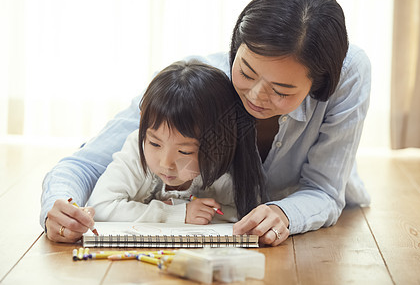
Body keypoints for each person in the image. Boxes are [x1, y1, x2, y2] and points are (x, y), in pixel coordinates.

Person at [41, 0, 371, 246]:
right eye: (245, 71)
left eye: (282, 91)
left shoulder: (349, 73)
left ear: (320, 85)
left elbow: (324, 190)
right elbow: (85, 164)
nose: (255, 96)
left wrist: (285, 213)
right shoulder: (195, 86)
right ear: (236, 46)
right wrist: (59, 207)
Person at [44, 60, 265, 242]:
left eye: (185, 152)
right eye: (155, 144)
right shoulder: (136, 148)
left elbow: (249, 211)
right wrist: (177, 213)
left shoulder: (222, 168)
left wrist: (202, 215)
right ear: (142, 124)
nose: (165, 163)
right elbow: (100, 207)